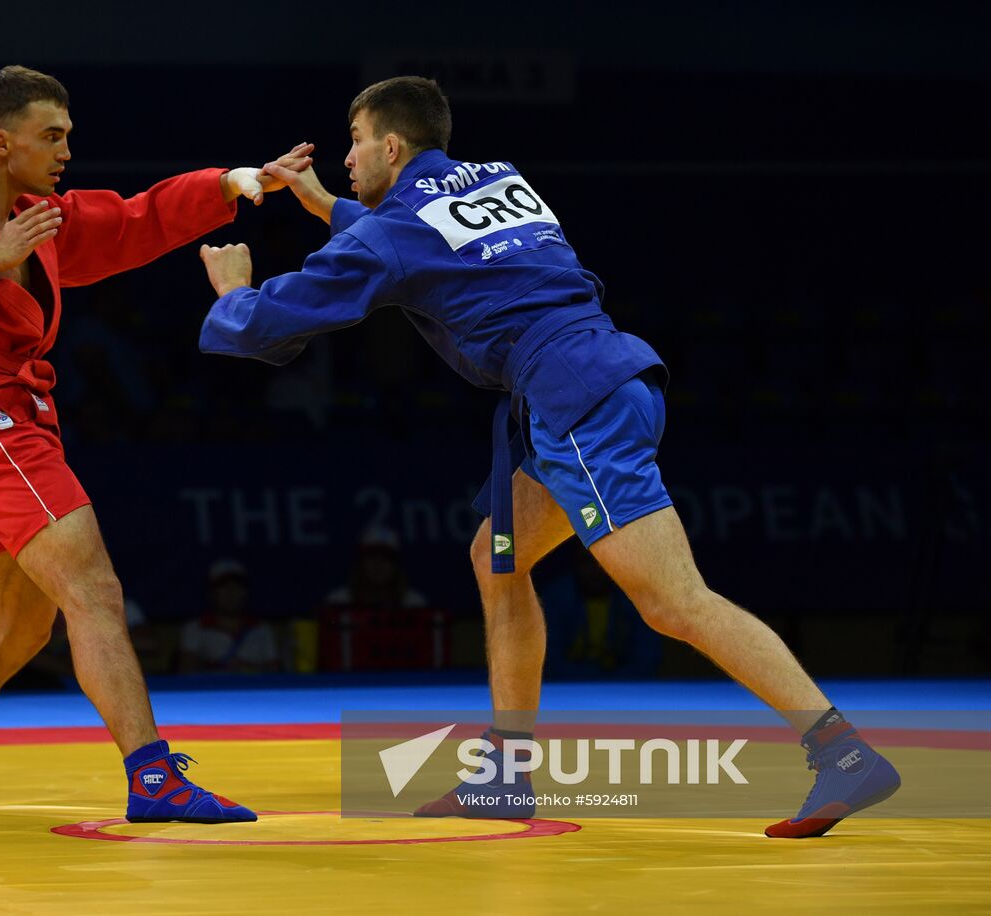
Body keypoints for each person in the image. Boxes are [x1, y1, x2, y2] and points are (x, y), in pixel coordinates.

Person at [197, 76, 900, 838]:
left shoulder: (391, 231)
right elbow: (412, 237)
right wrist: (320, 202)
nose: (346, 156)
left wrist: (234, 293)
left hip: (575, 399)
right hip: (598, 377)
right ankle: (505, 774)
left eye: (355, 141)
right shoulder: (498, 177)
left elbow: (279, 315)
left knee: (672, 602)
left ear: (391, 146)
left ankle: (841, 751)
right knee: (497, 560)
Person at [0, 65, 309, 822]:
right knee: (94, 592)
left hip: (13, 421)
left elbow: (133, 219)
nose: (66, 149)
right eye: (51, 136)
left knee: (24, 626)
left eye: (68, 135)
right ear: (2, 142)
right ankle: (153, 777)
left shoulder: (41, 215)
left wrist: (232, 182)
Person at [179, 559, 279, 674]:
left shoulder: (262, 629)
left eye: (237, 586)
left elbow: (274, 672)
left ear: (246, 592)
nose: (231, 593)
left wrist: (248, 669)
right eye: (224, 587)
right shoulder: (195, 629)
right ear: (211, 593)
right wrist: (219, 668)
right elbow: (186, 672)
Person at [323, 526, 427, 611]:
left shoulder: (413, 604)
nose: (378, 564)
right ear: (360, 563)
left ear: (396, 565)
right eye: (372, 556)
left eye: (386, 557)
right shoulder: (339, 602)